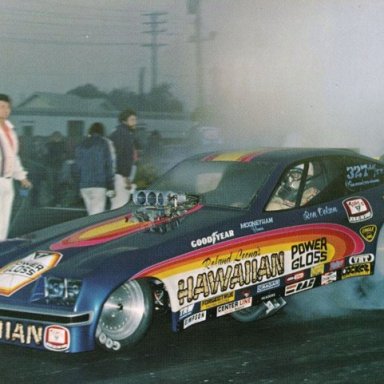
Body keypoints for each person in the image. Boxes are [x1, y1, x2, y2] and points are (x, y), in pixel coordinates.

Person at [0, 94, 32, 240]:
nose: (5, 110)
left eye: (8, 107)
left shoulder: (10, 130)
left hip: (7, 181)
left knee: (4, 220)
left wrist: (22, 177)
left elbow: (13, 156)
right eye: (2, 106)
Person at [74, 122, 115, 215]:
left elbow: (77, 167)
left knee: (90, 214)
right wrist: (110, 185)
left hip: (84, 184)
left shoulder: (82, 144)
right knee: (96, 216)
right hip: (99, 184)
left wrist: (77, 186)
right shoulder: (103, 143)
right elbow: (108, 165)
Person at [109, 108, 139, 209]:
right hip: (121, 175)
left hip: (119, 174)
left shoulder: (120, 133)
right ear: (124, 121)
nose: (135, 122)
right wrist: (125, 176)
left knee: (118, 203)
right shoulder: (123, 135)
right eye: (132, 120)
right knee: (119, 205)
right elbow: (121, 156)